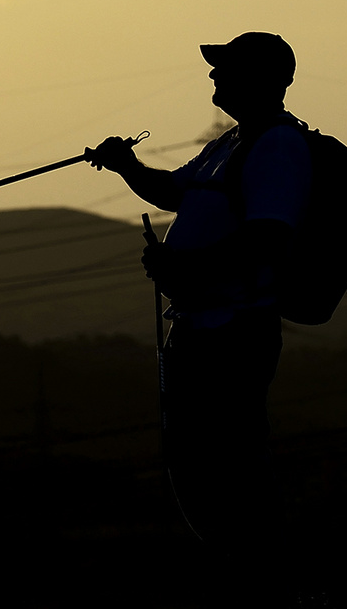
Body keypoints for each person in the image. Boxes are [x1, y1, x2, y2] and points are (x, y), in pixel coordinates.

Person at [89, 31, 310, 561]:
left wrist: (182, 266)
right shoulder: (229, 144)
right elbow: (171, 191)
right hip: (200, 326)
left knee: (229, 455)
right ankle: (239, 562)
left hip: (236, 329)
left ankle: (257, 566)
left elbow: (268, 237)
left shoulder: (277, 144)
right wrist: (128, 168)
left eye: (225, 68)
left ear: (259, 79)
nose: (213, 75)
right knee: (197, 456)